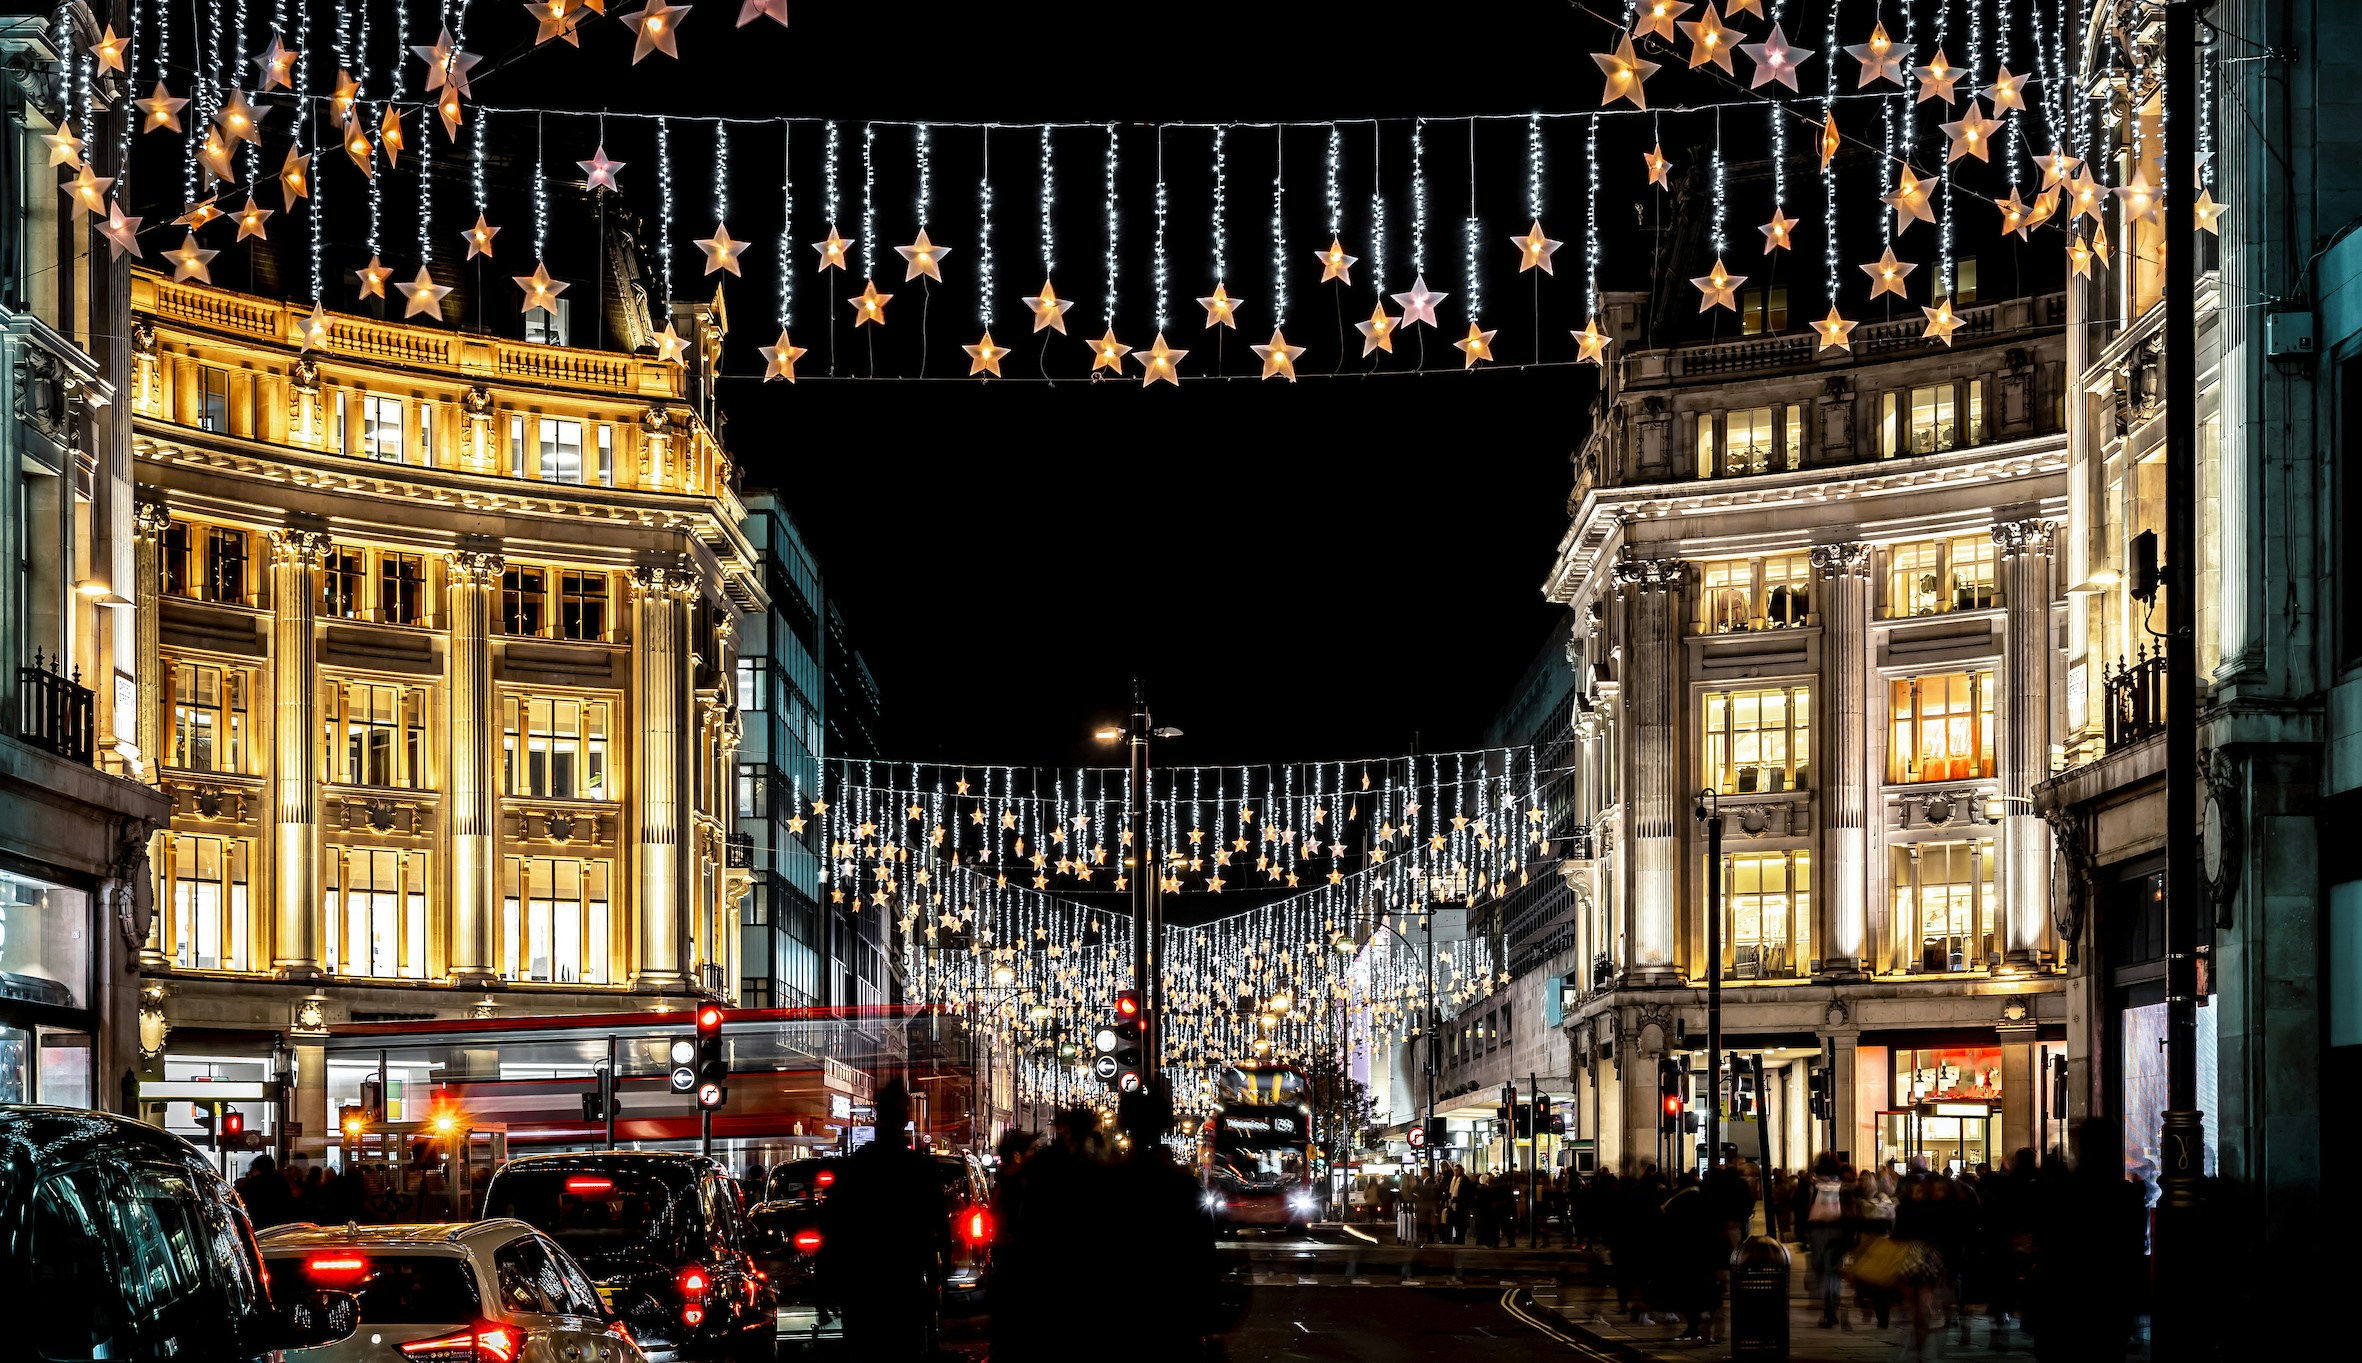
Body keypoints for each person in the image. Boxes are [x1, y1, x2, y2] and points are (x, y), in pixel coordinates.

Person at [814, 1080, 950, 1362]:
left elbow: (833, 1227)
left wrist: (825, 1284)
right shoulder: (919, 1169)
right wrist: (938, 1279)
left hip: (863, 1284)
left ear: (877, 1117)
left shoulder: (856, 1166)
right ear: (904, 1119)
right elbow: (938, 1228)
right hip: (903, 1282)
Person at [1106, 1088, 1221, 1363]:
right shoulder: (1184, 1187)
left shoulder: (1107, 1185)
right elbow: (1205, 1258)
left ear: (1124, 1126)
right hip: (1174, 1318)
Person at [236, 1153, 296, 1229]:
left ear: (256, 1169)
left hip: (259, 1228)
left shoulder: (253, 1185)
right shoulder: (282, 1183)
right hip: (281, 1227)